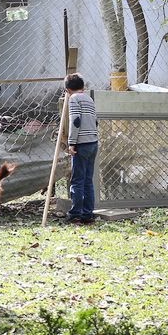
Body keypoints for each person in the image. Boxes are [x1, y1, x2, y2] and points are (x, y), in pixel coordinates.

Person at [64, 74, 98, 225]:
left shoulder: (73, 99)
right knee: (88, 181)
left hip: (81, 144)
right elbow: (95, 121)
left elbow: (76, 121)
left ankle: (75, 214)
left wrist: (71, 143)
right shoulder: (89, 99)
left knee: (77, 180)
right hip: (93, 142)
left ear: (67, 90)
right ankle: (88, 214)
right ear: (83, 87)